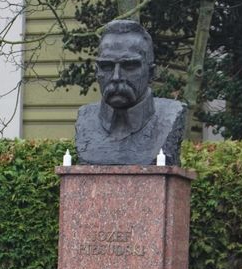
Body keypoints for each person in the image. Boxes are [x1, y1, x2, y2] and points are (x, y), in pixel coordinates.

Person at [74, 19, 187, 166]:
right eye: (107, 66)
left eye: (129, 67)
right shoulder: (85, 118)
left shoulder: (171, 115)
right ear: (97, 72)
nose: (116, 77)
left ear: (151, 73)